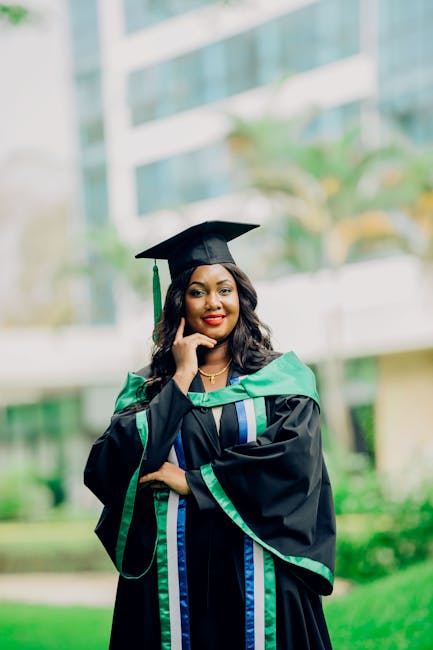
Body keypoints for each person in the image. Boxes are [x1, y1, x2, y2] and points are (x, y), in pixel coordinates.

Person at [84, 220, 336, 650]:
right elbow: (112, 467)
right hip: (172, 575)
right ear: (179, 303)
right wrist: (181, 377)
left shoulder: (281, 379)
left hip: (261, 571)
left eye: (225, 289)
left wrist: (194, 481)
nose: (213, 302)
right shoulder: (149, 388)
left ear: (241, 298)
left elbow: (294, 462)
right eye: (198, 291)